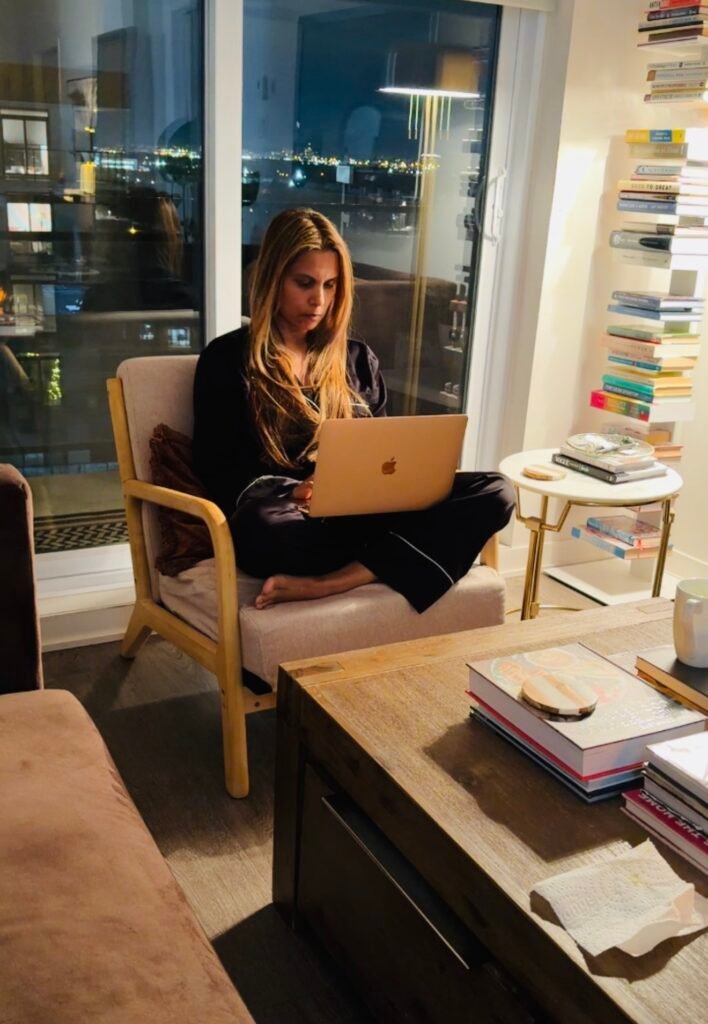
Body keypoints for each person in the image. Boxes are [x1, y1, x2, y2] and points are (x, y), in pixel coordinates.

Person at [193, 208, 514, 612]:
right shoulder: (225, 360)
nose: (319, 300)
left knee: (496, 491)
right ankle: (394, 557)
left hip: (360, 515)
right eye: (304, 283)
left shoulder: (358, 359)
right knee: (263, 528)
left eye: (330, 285)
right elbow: (215, 467)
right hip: (289, 518)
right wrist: (295, 489)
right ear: (274, 280)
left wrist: (390, 483)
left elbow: (383, 455)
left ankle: (335, 582)